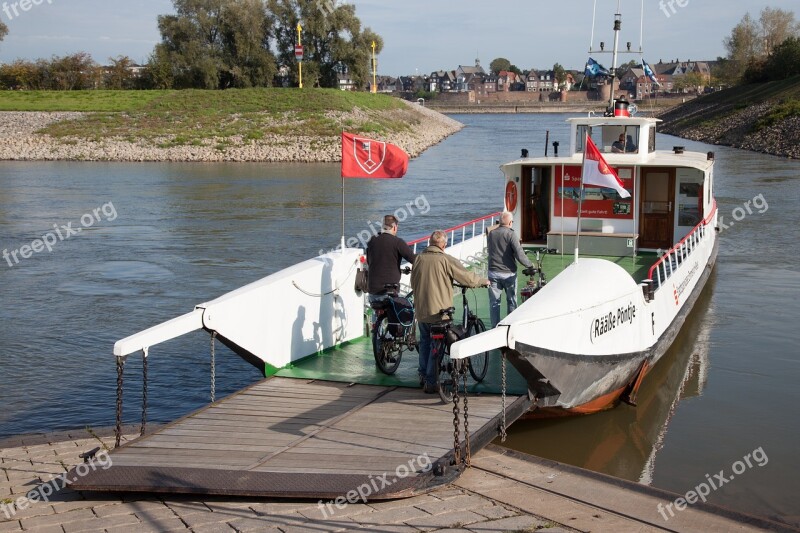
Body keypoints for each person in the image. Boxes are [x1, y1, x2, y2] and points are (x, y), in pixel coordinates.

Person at [411, 230, 489, 393]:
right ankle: (432, 381)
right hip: (440, 313)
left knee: (425, 341)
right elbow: (466, 277)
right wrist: (482, 281)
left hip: (422, 311)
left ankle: (423, 376)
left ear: (429, 242)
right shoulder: (446, 259)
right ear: (444, 245)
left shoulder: (418, 259)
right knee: (436, 346)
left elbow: (413, 282)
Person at [486, 211, 533, 328]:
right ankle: (510, 327)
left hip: (493, 273)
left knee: (494, 303)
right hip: (508, 274)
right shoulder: (511, 234)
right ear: (510, 222)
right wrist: (529, 265)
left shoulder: (491, 234)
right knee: (511, 301)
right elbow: (519, 254)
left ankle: (494, 328)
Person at [366, 215, 415, 307]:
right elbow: (414, 259)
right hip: (389, 292)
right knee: (403, 311)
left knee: (378, 314)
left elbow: (369, 261)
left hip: (372, 291)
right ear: (395, 227)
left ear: (382, 226)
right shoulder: (397, 242)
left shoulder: (372, 241)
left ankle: (377, 321)